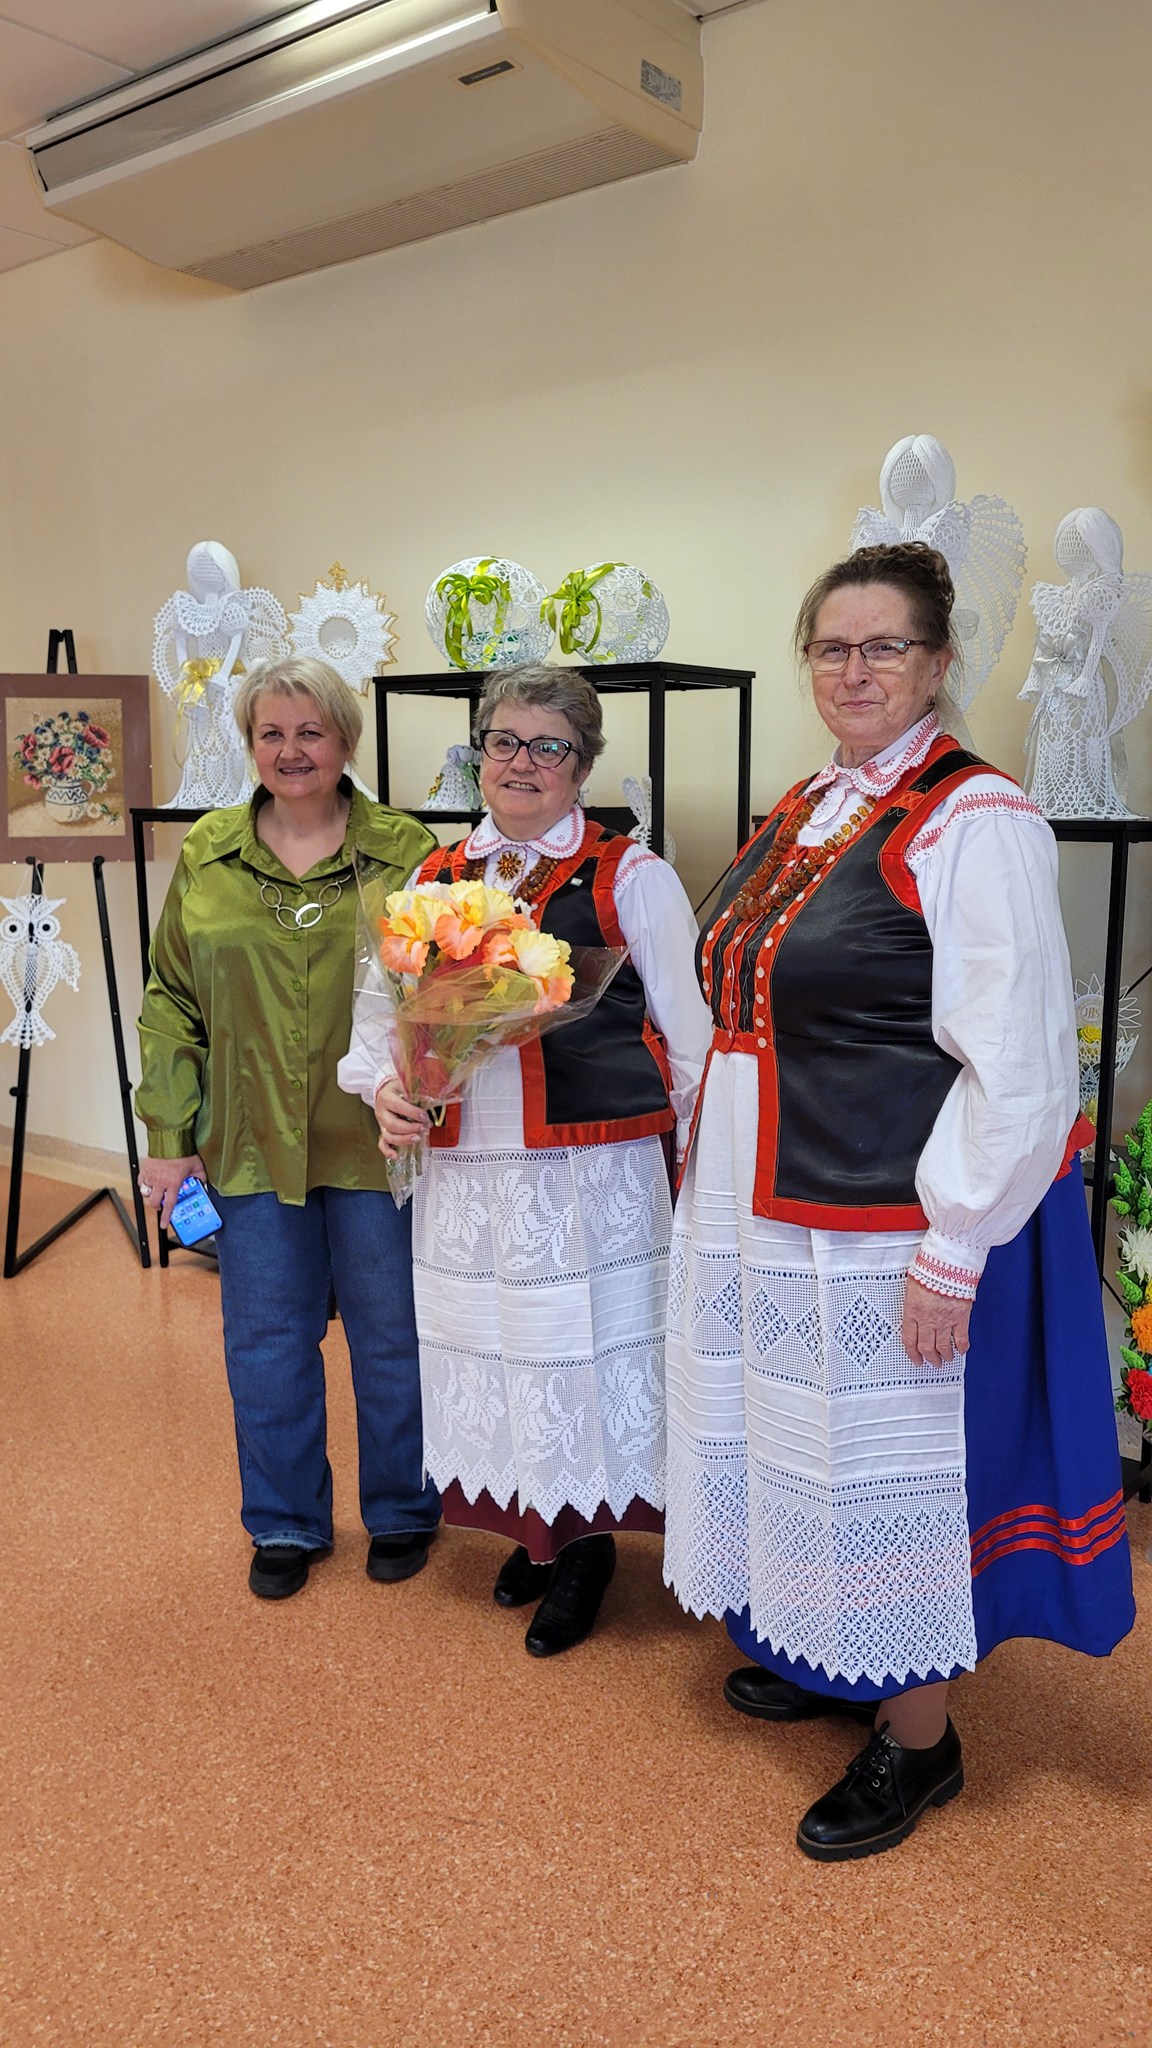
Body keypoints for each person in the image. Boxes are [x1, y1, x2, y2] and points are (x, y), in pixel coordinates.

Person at [663, 542, 1135, 1861]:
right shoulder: (808, 806)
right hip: (765, 1195)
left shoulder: (975, 819)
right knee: (792, 1439)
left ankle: (919, 1739)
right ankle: (838, 1652)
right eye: (832, 646)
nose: (854, 669)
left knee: (882, 1468)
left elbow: (1022, 1058)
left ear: (937, 662)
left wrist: (955, 1240)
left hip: (877, 1205)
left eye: (885, 646)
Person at [340, 664, 712, 1657]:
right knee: (490, 1349)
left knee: (576, 1350)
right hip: (467, 1169)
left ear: (583, 765)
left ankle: (585, 1543)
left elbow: (693, 1041)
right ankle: (531, 1526)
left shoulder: (630, 875)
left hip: (585, 1172)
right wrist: (385, 1088)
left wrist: (696, 1172)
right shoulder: (434, 875)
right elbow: (378, 1020)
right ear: (479, 754)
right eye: (504, 741)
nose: (522, 762)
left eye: (550, 745)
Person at [135, 655, 441, 1600]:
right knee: (266, 1339)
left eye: (312, 731)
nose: (291, 750)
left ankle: (403, 1507)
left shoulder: (407, 851)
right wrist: (167, 1138)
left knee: (393, 1337)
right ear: (250, 743)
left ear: (346, 740)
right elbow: (171, 999)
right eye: (272, 732)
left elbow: (444, 994)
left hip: (374, 1141)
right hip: (249, 1138)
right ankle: (284, 1520)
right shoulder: (209, 852)